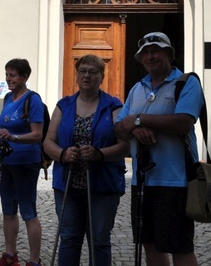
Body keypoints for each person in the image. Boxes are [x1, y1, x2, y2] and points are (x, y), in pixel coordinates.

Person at [114, 32, 204, 266]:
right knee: (150, 244)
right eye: (145, 53)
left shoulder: (186, 82)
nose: (150, 56)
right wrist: (134, 128)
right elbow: (119, 127)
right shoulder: (137, 88)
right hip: (143, 181)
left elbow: (184, 121)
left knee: (180, 247)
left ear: (169, 55)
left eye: (156, 50)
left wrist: (139, 119)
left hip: (176, 180)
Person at [43, 55, 129, 266]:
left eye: (93, 71)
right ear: (76, 75)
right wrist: (63, 154)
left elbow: (125, 145)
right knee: (69, 239)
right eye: (82, 71)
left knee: (99, 241)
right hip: (68, 185)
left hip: (103, 186)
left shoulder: (114, 107)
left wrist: (100, 154)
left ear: (102, 76)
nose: (87, 75)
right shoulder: (63, 105)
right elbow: (48, 142)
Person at [0, 58, 45, 266]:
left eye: (13, 75)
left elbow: (37, 134)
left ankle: (33, 260)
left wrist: (14, 138)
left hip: (26, 162)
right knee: (8, 209)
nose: (9, 79)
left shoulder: (33, 100)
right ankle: (10, 255)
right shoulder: (7, 98)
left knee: (28, 211)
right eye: (7, 75)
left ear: (25, 77)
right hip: (7, 161)